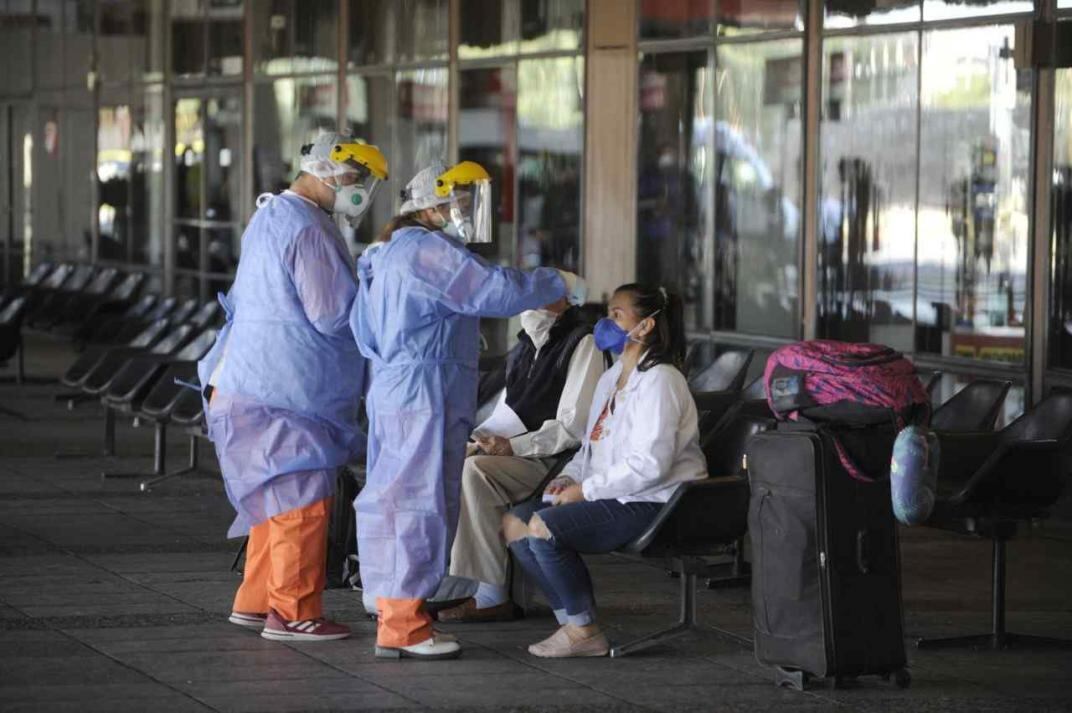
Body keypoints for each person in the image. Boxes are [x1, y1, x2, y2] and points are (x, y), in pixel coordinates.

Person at [350, 159, 581, 660]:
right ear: (434, 204)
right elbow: (494, 289)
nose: (465, 211)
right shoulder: (426, 251)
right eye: (459, 201)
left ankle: (392, 607)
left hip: (397, 389)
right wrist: (554, 282)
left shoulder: (387, 251)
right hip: (424, 393)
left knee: (394, 499)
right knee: (419, 503)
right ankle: (405, 624)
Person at [198, 132, 388, 642]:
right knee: (303, 503)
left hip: (249, 384)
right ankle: (294, 612)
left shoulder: (272, 215)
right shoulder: (307, 228)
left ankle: (256, 600)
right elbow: (331, 314)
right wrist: (374, 285)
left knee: (274, 503)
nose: (359, 190)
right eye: (356, 178)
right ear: (331, 171)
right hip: (285, 393)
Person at [502, 283, 705, 658]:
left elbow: (652, 465)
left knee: (543, 527)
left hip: (655, 501)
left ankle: (585, 632)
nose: (605, 322)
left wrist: (586, 491)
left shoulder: (661, 380)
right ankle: (572, 620)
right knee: (516, 523)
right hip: (616, 493)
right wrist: (570, 477)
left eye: (616, 314)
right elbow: (592, 446)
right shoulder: (612, 378)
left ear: (644, 327)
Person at [436, 293, 606, 624]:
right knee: (453, 462)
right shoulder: (528, 342)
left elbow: (574, 427)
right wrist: (481, 440)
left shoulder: (582, 343)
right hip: (520, 449)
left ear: (567, 301)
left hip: (557, 460)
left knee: (476, 475)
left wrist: (516, 446)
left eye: (542, 293)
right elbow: (506, 406)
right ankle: (449, 582)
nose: (531, 302)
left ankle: (490, 594)